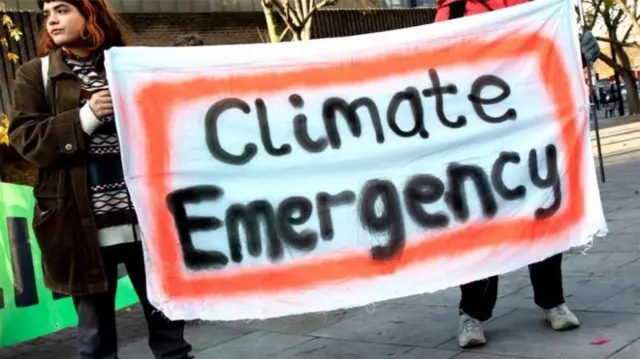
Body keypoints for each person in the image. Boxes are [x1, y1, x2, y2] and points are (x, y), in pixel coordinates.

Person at [9, 1, 193, 358]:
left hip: (146, 222)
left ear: (90, 13)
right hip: (81, 226)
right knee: (96, 343)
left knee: (171, 334)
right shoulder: (37, 74)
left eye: (62, 10)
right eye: (48, 13)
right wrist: (86, 116)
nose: (53, 20)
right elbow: (27, 140)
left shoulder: (130, 66)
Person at [434, 0, 582, 349]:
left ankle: (552, 301)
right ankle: (472, 313)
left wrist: (577, 50)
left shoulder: (536, 6)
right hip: (475, 139)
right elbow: (435, 65)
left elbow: (552, 57)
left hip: (530, 134)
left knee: (543, 218)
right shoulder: (452, 11)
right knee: (480, 228)